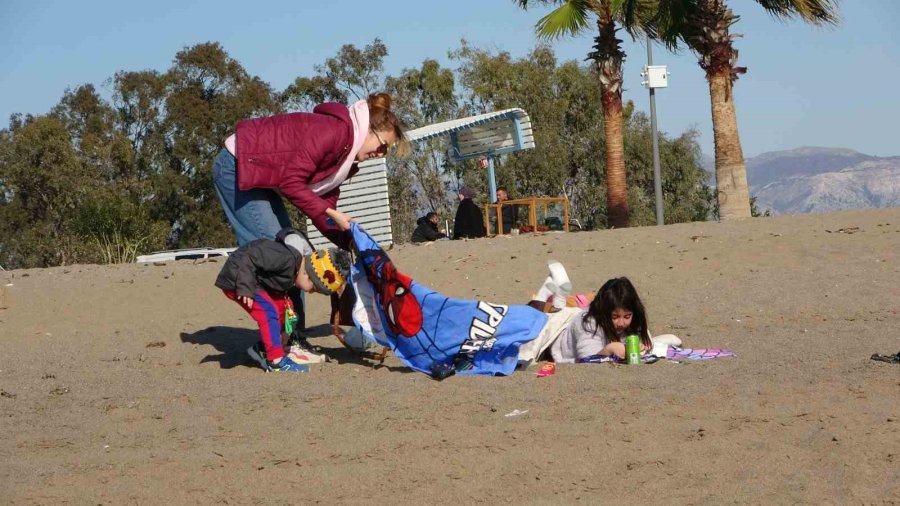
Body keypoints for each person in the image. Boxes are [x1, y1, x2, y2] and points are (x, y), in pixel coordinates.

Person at [212, 92, 406, 335]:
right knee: (280, 257)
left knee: (297, 251)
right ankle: (277, 343)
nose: (381, 154)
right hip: (236, 166)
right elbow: (291, 183)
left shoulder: (347, 159)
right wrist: (330, 212)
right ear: (368, 130)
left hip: (262, 178)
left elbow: (322, 208)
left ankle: (295, 336)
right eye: (383, 146)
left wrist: (350, 241)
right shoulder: (333, 132)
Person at [215, 228, 352, 373]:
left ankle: (263, 349)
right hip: (238, 278)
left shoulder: (294, 270)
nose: (311, 292)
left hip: (256, 281)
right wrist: (244, 287)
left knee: (288, 311)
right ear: (307, 273)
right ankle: (275, 361)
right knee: (268, 311)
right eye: (313, 288)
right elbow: (249, 257)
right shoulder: (285, 258)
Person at [548, 276, 679, 363]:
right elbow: (586, 358)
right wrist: (610, 349)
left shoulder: (634, 318)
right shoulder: (589, 322)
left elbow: (642, 343)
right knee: (540, 314)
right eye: (614, 317)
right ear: (604, 313)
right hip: (558, 344)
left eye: (627, 316)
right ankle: (552, 296)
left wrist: (640, 347)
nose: (621, 323)